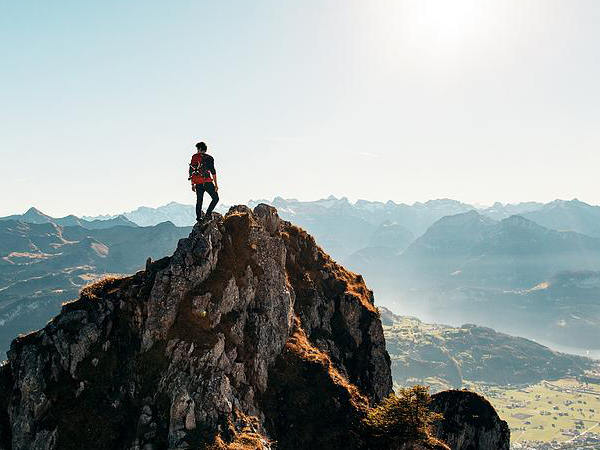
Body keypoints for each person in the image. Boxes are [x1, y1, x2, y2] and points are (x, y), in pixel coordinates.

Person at [189, 141, 219, 222]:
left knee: (199, 201)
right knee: (215, 198)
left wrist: (192, 184)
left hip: (198, 183)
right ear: (205, 149)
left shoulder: (194, 157)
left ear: (199, 149)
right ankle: (208, 214)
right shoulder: (209, 158)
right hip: (207, 182)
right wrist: (216, 184)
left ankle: (199, 218)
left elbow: (191, 170)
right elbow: (213, 171)